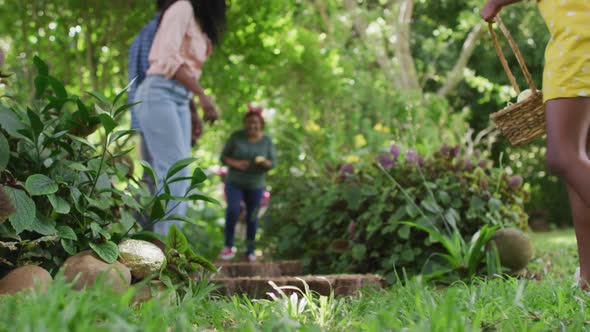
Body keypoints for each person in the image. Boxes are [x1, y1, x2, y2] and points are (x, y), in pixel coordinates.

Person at [481, 0, 590, 289]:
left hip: (578, 45)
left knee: (563, 157)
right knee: (580, 162)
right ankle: (589, 278)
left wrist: (495, 4)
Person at [134, 0, 226, 236]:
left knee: (179, 174)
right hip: (158, 93)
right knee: (174, 172)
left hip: (180, 98)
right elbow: (167, 60)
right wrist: (203, 97)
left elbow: (186, 72)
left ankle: (166, 247)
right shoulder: (181, 7)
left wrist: (193, 110)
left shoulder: (199, 23)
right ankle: (163, 247)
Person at [218, 105, 277, 262]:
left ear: (261, 124)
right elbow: (223, 158)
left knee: (253, 216)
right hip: (234, 182)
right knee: (233, 210)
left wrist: (264, 163)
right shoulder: (236, 137)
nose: (252, 125)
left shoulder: (267, 141)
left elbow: (273, 164)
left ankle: (250, 250)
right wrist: (237, 164)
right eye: (249, 122)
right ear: (245, 123)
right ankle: (228, 246)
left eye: (255, 122)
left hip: (255, 184)